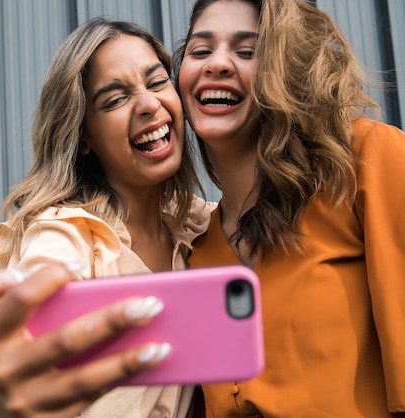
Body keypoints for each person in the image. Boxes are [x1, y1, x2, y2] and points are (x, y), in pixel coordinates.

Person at [0, 17, 214, 417]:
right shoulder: (67, 236)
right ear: (83, 135)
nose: (150, 104)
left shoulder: (200, 226)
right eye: (115, 99)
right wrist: (18, 376)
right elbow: (25, 349)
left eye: (156, 82)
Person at [173, 0, 405, 416]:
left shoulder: (365, 163)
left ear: (286, 68)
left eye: (247, 51)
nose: (217, 64)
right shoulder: (197, 254)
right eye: (200, 50)